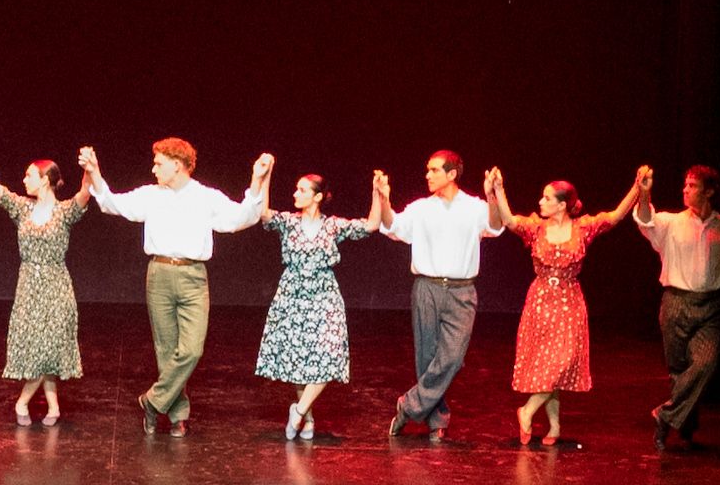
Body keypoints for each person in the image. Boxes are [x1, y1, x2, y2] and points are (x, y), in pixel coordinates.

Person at [81, 136, 273, 433]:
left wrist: (257, 179)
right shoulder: (151, 194)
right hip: (159, 274)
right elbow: (112, 203)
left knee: (192, 349)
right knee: (167, 349)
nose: (154, 168)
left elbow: (241, 218)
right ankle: (177, 416)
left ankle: (152, 400)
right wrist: (94, 171)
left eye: (159, 163)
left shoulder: (205, 197)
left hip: (193, 276)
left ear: (178, 165)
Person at [626, 162, 720, 449]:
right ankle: (685, 426)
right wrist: (644, 194)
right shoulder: (671, 222)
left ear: (709, 191)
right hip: (676, 302)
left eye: (692, 185)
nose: (685, 190)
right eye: (685, 185)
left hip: (713, 308)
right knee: (678, 370)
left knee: (706, 362)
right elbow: (646, 220)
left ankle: (665, 416)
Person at [506, 168, 643, 448]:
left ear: (561, 205)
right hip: (541, 301)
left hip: (569, 302)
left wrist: (638, 187)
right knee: (547, 365)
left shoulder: (583, 227)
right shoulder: (536, 228)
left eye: (546, 198)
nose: (540, 202)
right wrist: (496, 190)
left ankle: (527, 411)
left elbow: (615, 216)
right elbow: (509, 221)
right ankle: (555, 426)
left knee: (561, 362)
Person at [250, 170, 383, 439]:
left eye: (302, 190)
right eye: (296, 189)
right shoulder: (288, 222)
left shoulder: (332, 226)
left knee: (329, 355)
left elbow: (371, 225)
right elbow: (263, 213)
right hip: (293, 293)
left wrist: (377, 192)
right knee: (299, 357)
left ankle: (297, 412)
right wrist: (265, 177)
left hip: (324, 295)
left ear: (318, 197)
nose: (295, 194)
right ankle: (307, 418)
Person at [0, 143, 91, 423]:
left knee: (49, 346)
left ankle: (23, 402)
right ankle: (53, 406)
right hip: (28, 288)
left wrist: (89, 169)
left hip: (56, 285)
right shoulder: (22, 208)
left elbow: (86, 192)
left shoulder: (65, 211)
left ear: (45, 180)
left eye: (29, 175)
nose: (24, 180)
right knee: (35, 345)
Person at [379, 149, 496, 442]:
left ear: (451, 174)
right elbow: (393, 227)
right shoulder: (421, 208)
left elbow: (495, 226)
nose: (427, 175)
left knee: (453, 358)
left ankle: (408, 406)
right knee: (427, 357)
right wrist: (383, 199)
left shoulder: (475, 207)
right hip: (427, 287)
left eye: (434, 170)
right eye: (428, 170)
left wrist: (493, 195)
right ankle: (437, 421)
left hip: (462, 290)